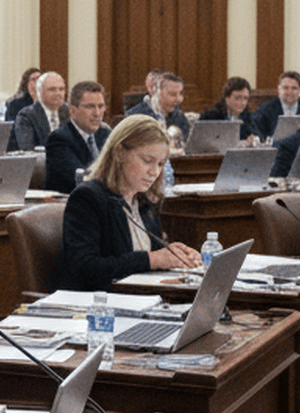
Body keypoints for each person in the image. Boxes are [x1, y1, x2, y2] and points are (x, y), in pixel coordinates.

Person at [59, 115, 201, 291]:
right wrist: (152, 259)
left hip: (142, 297)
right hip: (101, 300)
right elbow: (85, 268)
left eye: (160, 164)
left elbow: (152, 255)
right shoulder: (88, 198)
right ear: (119, 153)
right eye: (147, 161)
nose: (154, 172)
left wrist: (174, 255)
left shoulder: (144, 201)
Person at [44, 81, 111, 193]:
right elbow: (83, 179)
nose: (97, 113)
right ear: (73, 110)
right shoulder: (59, 139)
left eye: (101, 106)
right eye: (90, 107)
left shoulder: (105, 134)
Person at [8, 71, 68, 151]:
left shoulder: (69, 112)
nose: (58, 93)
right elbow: (28, 151)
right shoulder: (26, 116)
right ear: (40, 92)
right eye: (52, 89)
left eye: (61, 89)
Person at [126, 72, 191, 143]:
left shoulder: (179, 116)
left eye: (180, 94)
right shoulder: (134, 117)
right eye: (172, 94)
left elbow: (187, 143)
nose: (179, 99)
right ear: (156, 92)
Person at [197, 76, 256, 142]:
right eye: (238, 98)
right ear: (226, 97)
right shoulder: (211, 115)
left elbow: (254, 136)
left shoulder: (247, 115)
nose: (243, 103)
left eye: (245, 98)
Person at [253, 71, 300, 140]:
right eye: (285, 88)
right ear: (279, 89)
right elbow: (258, 136)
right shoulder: (264, 111)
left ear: (299, 90)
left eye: (294, 88)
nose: (289, 92)